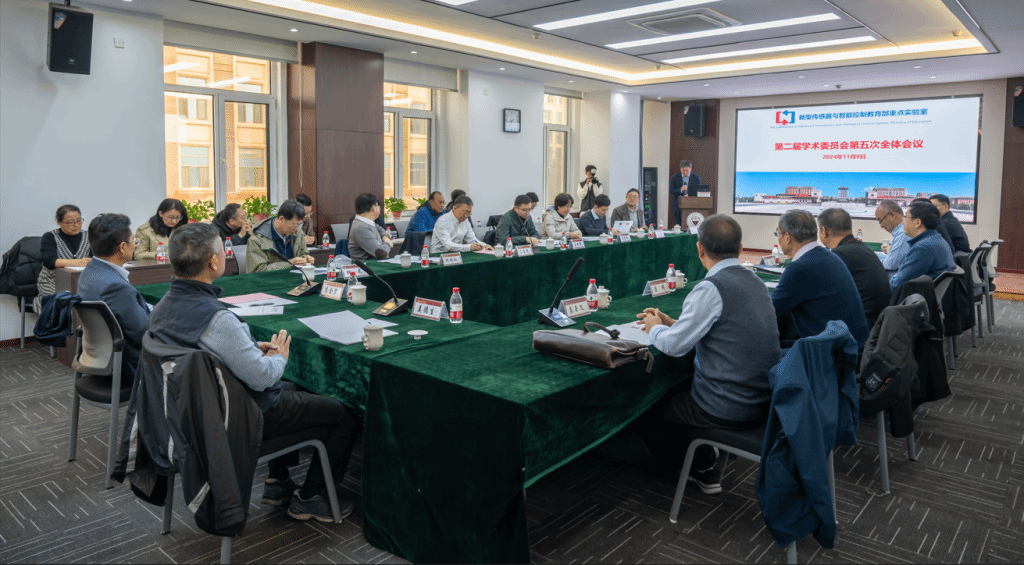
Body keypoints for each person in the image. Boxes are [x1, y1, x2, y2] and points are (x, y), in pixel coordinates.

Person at [148, 223, 358, 523]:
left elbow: (201, 354)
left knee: (294, 388)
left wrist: (246, 348)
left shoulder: (162, 305)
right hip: (235, 417)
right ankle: (312, 497)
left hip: (188, 413)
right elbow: (262, 379)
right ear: (213, 262)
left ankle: (277, 481)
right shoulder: (217, 319)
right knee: (344, 413)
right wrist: (280, 357)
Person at [634, 214, 781, 494]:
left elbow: (674, 347)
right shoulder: (755, 281)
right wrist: (673, 324)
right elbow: (722, 329)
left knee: (643, 405)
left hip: (725, 406)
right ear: (741, 249)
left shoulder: (711, 288)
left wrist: (654, 327)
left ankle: (700, 465)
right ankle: (703, 452)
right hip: (762, 399)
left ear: (700, 249)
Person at [770, 210, 869, 349]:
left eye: (778, 234)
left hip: (834, 354)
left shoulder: (800, 267)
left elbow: (769, 309)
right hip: (853, 347)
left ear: (787, 237)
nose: (778, 239)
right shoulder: (829, 256)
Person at [77, 214, 150, 385]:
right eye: (134, 241)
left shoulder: (89, 272)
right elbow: (143, 334)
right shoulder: (116, 286)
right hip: (128, 366)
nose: (135, 246)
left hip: (98, 358)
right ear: (122, 247)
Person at [818, 208, 892, 331]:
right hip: (877, 323)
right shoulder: (862, 248)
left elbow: (822, 294)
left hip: (858, 328)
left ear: (824, 231)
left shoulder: (839, 255)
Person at [35, 204, 92, 311]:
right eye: (70, 222)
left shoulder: (88, 236)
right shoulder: (50, 237)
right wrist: (78, 262)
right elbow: (49, 261)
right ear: (59, 222)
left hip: (81, 281)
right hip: (53, 282)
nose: (76, 225)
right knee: (62, 302)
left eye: (79, 220)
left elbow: (96, 258)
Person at [889, 201, 957, 290]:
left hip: (911, 297)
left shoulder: (923, 248)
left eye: (906, 217)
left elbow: (896, 285)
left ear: (917, 223)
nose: (903, 222)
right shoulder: (936, 239)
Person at [247, 200, 314, 272]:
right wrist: (289, 264)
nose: (297, 229)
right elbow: (258, 271)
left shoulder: (298, 233)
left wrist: (305, 259)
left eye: (299, 224)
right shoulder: (257, 239)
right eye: (294, 225)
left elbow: (303, 253)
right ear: (281, 219)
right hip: (270, 279)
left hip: (294, 276)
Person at [348, 193, 394, 260]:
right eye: (377, 205)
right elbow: (381, 253)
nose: (379, 208)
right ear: (373, 208)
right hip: (367, 265)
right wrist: (388, 243)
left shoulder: (367, 222)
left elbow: (381, 230)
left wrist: (385, 237)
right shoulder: (361, 227)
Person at [874, 201, 908, 271]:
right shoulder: (900, 233)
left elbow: (890, 265)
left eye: (880, 221)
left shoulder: (903, 234)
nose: (881, 226)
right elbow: (890, 259)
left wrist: (869, 260)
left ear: (892, 215)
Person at [669, 160, 702, 227]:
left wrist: (690, 194)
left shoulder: (696, 177)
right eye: (683, 171)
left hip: (692, 206)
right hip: (678, 206)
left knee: (690, 225)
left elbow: (699, 191)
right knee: (679, 226)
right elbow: (671, 190)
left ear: (690, 169)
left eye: (687, 170)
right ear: (680, 169)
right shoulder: (674, 177)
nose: (685, 172)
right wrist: (680, 189)